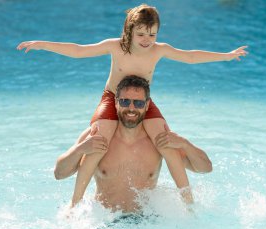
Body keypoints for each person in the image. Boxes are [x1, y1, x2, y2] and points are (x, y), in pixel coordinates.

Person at [17, 4, 246, 206]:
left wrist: (225, 56)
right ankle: (75, 204)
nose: (147, 40)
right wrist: (43, 44)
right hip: (112, 98)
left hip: (142, 100)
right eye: (141, 35)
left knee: (165, 141)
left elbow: (191, 57)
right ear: (130, 31)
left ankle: (188, 203)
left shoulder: (160, 49)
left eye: (152, 35)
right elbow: (79, 50)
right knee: (98, 142)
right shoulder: (116, 46)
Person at [54, 75, 212, 212]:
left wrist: (186, 144)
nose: (131, 108)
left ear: (147, 105)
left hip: (145, 220)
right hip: (106, 220)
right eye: (125, 101)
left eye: (138, 103)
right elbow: (59, 174)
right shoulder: (97, 137)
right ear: (116, 102)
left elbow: (205, 168)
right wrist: (78, 149)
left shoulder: (159, 141)